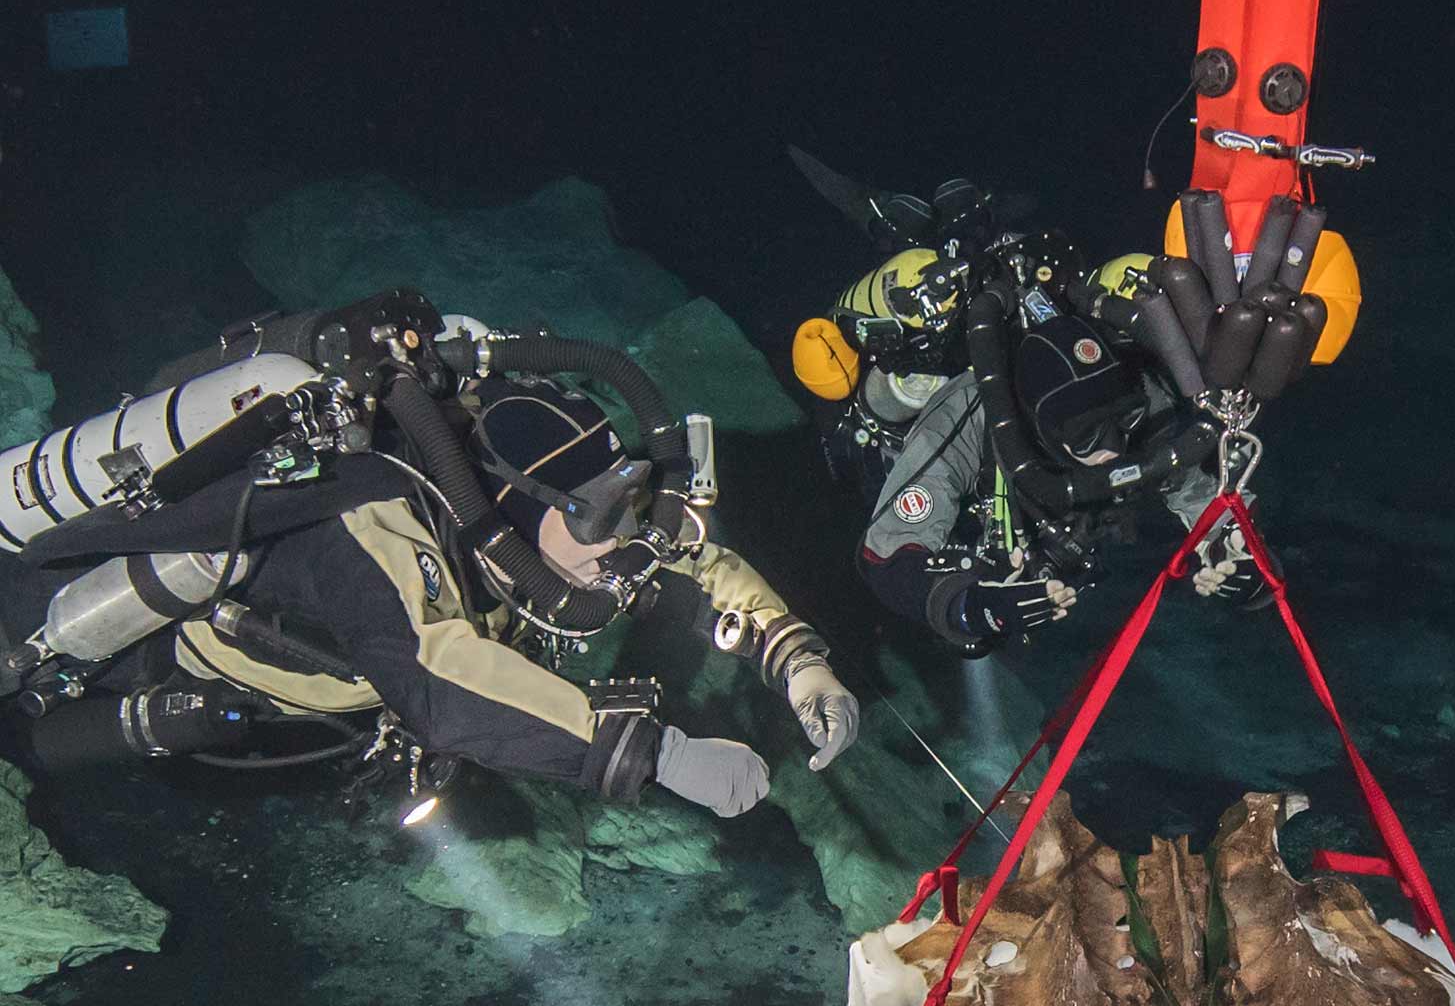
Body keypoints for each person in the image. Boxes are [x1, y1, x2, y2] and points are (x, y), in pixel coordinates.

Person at [1, 299, 856, 820]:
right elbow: (437, 676)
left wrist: (798, 660)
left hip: (281, 697)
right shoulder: (367, 516)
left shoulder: (525, 537)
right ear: (519, 505)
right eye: (599, 518)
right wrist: (657, 756)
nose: (621, 549)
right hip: (88, 629)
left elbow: (690, 559)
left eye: (627, 506)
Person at [846, 247, 1264, 652]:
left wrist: (1244, 559)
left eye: (1125, 422)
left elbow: (1207, 496)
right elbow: (886, 553)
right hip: (971, 526)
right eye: (1086, 436)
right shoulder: (972, 412)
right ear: (1040, 429)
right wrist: (970, 606)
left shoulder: (1143, 396)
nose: (1114, 451)